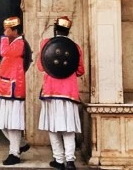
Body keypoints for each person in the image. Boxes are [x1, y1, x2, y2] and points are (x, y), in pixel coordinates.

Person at [37, 15, 84, 170]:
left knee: (53, 127)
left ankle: (58, 159)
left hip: (51, 92)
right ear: (68, 30)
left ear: (55, 29)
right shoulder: (76, 47)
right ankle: (70, 161)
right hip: (69, 93)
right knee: (68, 128)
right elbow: (80, 70)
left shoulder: (45, 44)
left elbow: (40, 67)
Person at [0, 15, 32, 165]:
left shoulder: (20, 43)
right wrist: (2, 63)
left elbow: (5, 52)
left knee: (12, 122)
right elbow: (7, 57)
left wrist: (4, 39)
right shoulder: (14, 44)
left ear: (14, 30)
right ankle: (20, 144)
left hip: (13, 88)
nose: (4, 32)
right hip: (3, 87)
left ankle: (14, 153)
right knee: (1, 121)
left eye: (7, 29)